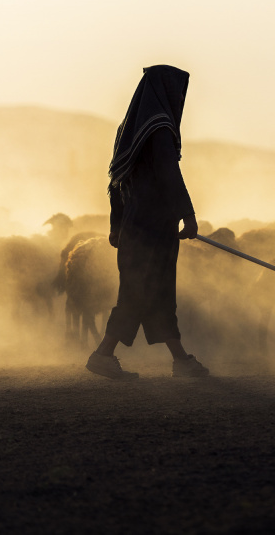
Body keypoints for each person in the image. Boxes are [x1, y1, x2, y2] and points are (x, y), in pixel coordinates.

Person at [86, 64, 210, 379]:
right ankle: (104, 355)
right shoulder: (160, 129)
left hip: (133, 225)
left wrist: (117, 224)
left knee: (151, 292)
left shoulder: (129, 129)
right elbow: (169, 173)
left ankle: (180, 360)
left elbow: (116, 180)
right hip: (154, 228)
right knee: (141, 292)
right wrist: (188, 214)